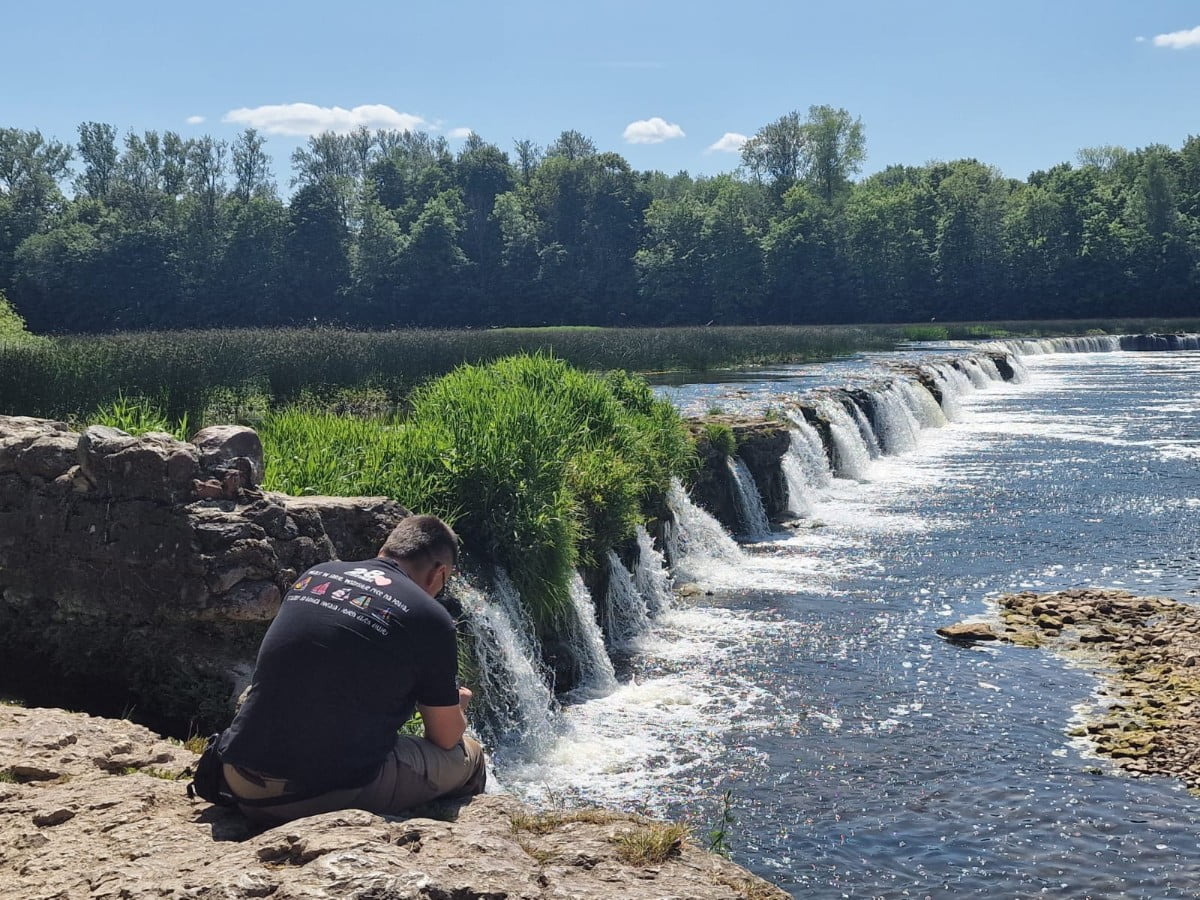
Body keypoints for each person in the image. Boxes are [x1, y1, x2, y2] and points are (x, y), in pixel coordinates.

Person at [217, 514, 486, 825]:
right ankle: (462, 834)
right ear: (439, 573)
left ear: (386, 548)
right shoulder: (430, 617)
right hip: (310, 796)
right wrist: (458, 706)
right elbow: (444, 737)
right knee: (470, 755)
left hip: (237, 776)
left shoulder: (316, 575)